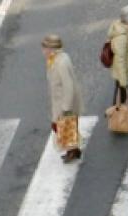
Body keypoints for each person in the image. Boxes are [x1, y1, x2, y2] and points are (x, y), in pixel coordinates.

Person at [42, 34, 83, 163]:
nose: (43, 51)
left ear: (51, 49)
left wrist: (66, 107)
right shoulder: (56, 59)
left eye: (44, 48)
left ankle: (73, 150)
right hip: (59, 100)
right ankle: (73, 149)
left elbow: (68, 85)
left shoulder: (60, 63)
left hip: (64, 101)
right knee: (63, 126)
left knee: (64, 125)